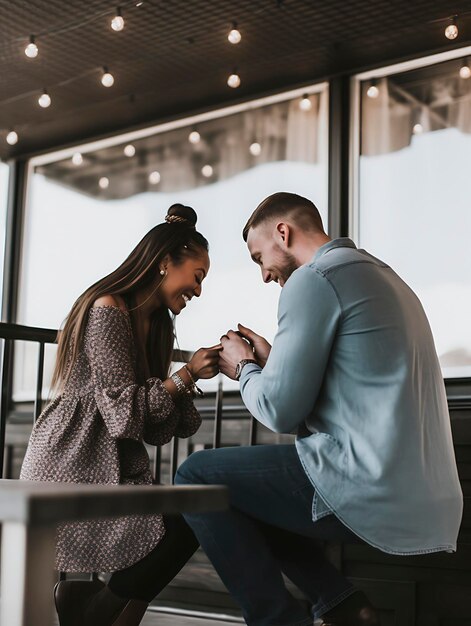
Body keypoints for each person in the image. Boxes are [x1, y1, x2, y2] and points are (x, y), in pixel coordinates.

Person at [175, 192, 463, 626]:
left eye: (258, 258)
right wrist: (274, 364)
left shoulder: (314, 279)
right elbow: (353, 384)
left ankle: (280, 620)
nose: (264, 275)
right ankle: (343, 606)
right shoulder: (381, 275)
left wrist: (246, 368)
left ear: (283, 233)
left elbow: (278, 410)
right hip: (426, 492)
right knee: (250, 493)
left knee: (197, 476)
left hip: (369, 483)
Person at [20, 204, 222, 626]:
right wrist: (185, 376)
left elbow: (160, 427)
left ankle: (94, 610)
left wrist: (188, 378)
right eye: (198, 276)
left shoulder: (160, 326)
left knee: (190, 518)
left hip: (113, 458)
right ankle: (96, 611)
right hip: (71, 457)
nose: (199, 291)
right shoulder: (107, 308)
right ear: (166, 262)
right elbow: (121, 414)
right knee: (179, 521)